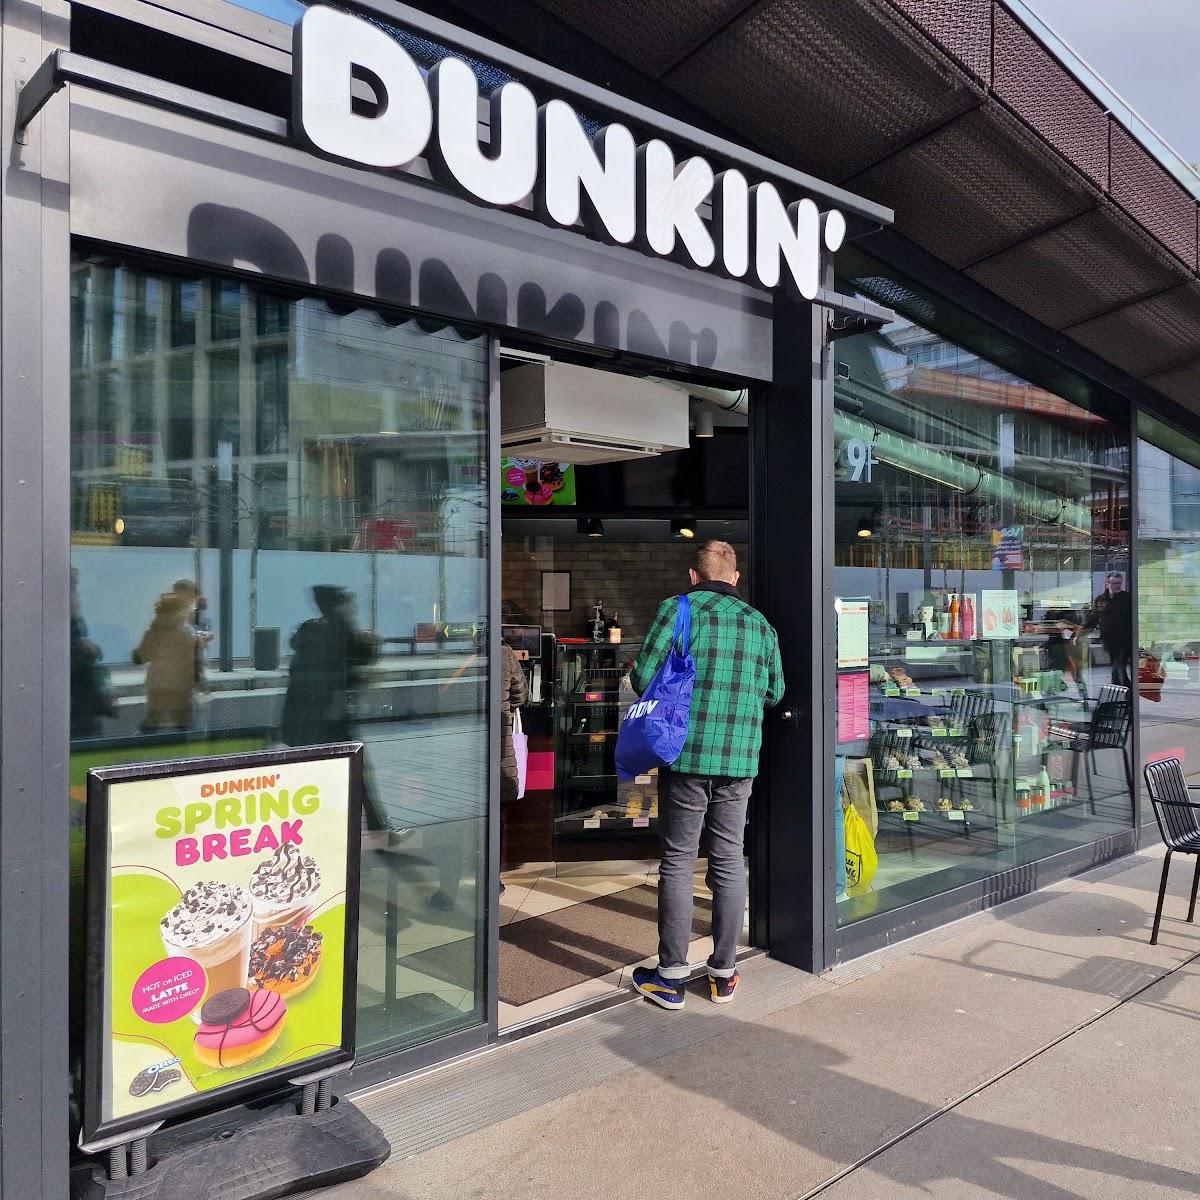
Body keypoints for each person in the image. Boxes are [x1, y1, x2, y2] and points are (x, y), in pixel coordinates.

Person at [630, 540, 784, 1010]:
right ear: (735, 578)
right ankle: (724, 973)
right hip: (739, 760)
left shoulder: (678, 610)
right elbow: (775, 692)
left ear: (694, 576)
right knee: (729, 859)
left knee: (678, 861)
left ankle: (672, 976)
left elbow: (643, 676)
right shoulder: (760, 625)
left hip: (686, 755)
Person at [133, 592, 203, 731]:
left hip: (157, 685)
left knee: (153, 722)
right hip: (181, 686)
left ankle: (147, 748)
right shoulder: (187, 633)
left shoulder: (152, 632)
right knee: (182, 724)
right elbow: (193, 661)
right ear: (180, 611)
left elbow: (141, 657)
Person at [1080, 572, 1132, 688]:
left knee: (1119, 664)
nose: (1116, 586)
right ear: (1107, 583)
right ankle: (1124, 688)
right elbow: (1093, 619)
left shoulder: (1127, 598)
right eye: (1113, 583)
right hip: (1108, 640)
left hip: (1124, 640)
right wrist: (1081, 633)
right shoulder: (1100, 600)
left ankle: (1122, 688)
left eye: (1118, 583)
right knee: (1117, 664)